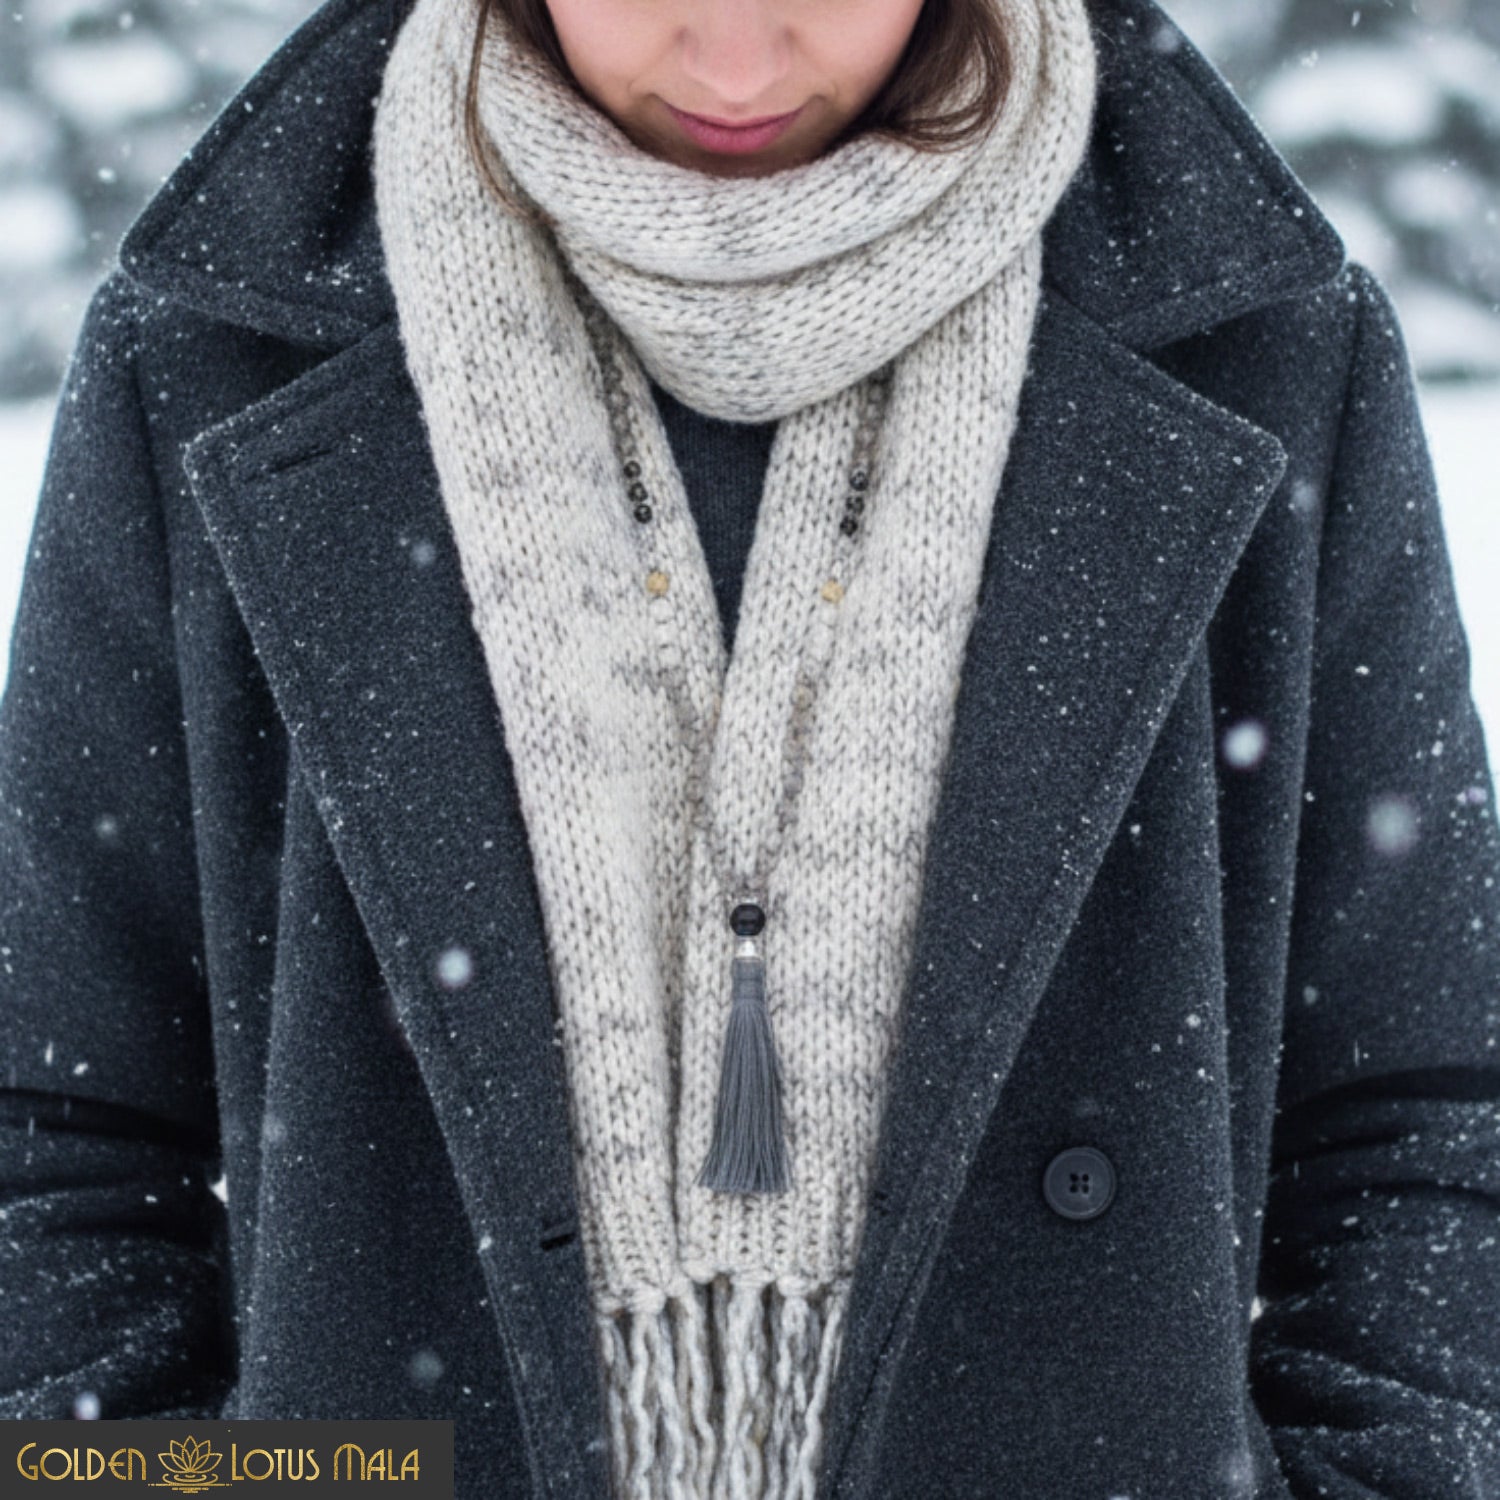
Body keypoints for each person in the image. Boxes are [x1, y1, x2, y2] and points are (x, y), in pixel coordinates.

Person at [1, 0, 1497, 1489]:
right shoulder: (210, 356)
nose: (733, 56)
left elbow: (1425, 1117)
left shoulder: (1264, 350)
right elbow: (55, 1135)